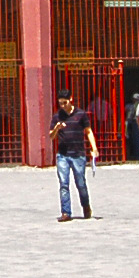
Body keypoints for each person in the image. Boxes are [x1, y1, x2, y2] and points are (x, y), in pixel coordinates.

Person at [51, 90, 97, 222]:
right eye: (60, 103)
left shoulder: (81, 114)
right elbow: (50, 136)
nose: (63, 106)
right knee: (64, 183)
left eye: (65, 103)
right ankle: (66, 212)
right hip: (63, 155)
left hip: (78, 155)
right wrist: (56, 129)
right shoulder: (57, 116)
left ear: (71, 99)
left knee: (80, 183)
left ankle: (86, 206)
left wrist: (94, 148)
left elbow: (88, 131)